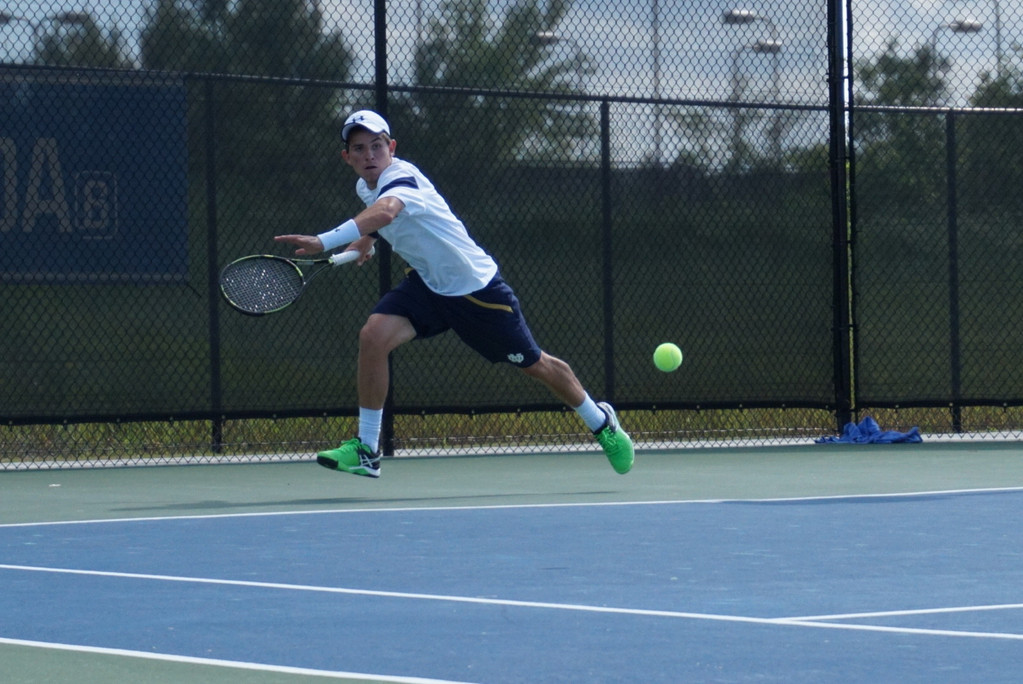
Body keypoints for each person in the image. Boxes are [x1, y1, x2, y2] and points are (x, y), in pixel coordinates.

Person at [274, 110, 633, 478]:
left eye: (377, 146)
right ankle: (367, 449)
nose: (369, 155)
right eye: (359, 148)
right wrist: (366, 240)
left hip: (475, 291)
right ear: (346, 157)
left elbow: (387, 211)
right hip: (428, 285)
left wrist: (323, 241)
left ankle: (600, 421)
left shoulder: (401, 176)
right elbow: (383, 216)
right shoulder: (366, 187)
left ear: (391, 148)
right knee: (373, 336)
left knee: (535, 365)